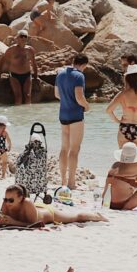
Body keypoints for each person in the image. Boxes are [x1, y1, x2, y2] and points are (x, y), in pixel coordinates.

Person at [107, 59, 137, 167]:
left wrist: (117, 120)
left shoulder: (122, 94)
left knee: (124, 160)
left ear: (127, 79)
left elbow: (108, 110)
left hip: (124, 128)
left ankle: (125, 181)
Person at [0, 184, 109, 227]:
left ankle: (98, 216)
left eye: (11, 200)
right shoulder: (5, 203)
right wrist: (1, 221)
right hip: (37, 208)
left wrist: (12, 222)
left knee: (77, 217)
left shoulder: (27, 202)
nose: (7, 203)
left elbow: (34, 224)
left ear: (20, 198)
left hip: (48, 213)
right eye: (5, 199)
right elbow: (0, 220)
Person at [55, 54, 90, 190]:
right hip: (75, 114)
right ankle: (71, 182)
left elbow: (57, 94)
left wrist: (66, 100)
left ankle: (63, 180)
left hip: (63, 114)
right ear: (83, 65)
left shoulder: (60, 74)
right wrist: (87, 106)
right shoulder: (79, 76)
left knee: (64, 148)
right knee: (74, 150)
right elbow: (79, 97)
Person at [103, 142, 137, 210]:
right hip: (123, 204)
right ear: (135, 156)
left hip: (107, 202)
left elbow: (121, 181)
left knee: (128, 188)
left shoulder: (115, 165)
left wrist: (131, 183)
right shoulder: (136, 169)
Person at [1, 31, 38, 105]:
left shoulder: (30, 50)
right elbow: (3, 61)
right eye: (21, 36)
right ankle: (17, 115)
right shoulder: (11, 49)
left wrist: (36, 76)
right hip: (14, 75)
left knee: (28, 96)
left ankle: (27, 114)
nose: (23, 38)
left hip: (27, 74)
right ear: (17, 38)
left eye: (25, 36)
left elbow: (34, 63)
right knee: (18, 96)